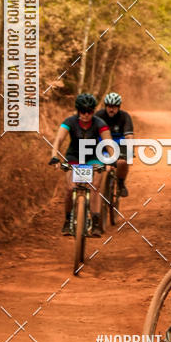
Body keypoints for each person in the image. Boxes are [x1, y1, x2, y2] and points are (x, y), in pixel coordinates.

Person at [49, 92, 110, 237]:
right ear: (78, 111)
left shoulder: (100, 123)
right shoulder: (70, 122)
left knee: (95, 187)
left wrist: (110, 160)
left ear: (93, 111)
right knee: (70, 188)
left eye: (89, 111)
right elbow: (58, 140)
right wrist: (54, 156)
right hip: (74, 155)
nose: (86, 115)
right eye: (83, 111)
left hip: (93, 156)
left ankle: (95, 223)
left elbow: (109, 144)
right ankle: (67, 220)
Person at [96, 92, 134, 198]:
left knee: (122, 162)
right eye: (109, 106)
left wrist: (129, 150)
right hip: (102, 143)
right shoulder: (99, 116)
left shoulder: (125, 116)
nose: (111, 109)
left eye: (114, 107)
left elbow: (129, 136)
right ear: (105, 106)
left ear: (119, 107)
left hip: (119, 144)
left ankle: (121, 183)